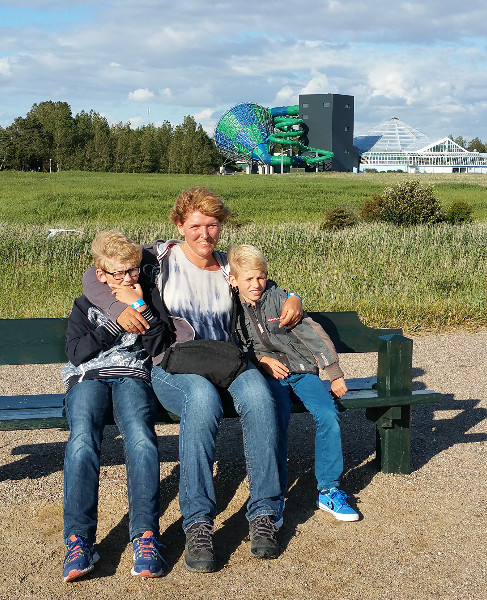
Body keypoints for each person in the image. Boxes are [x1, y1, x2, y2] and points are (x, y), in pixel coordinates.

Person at [82, 187, 303, 573]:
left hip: (227, 361)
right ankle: (199, 522)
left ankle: (265, 513)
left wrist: (293, 296)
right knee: (201, 400)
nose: (205, 234)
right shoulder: (158, 259)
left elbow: (263, 287)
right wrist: (119, 307)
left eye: (213, 225)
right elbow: (93, 275)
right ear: (180, 224)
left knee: (259, 396)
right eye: (196, 225)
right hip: (175, 365)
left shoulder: (227, 266)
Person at [61, 231, 172, 582]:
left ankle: (145, 536)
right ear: (101, 274)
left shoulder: (147, 298)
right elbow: (76, 353)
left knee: (140, 438)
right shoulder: (85, 305)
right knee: (82, 441)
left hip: (132, 376)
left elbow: (160, 345)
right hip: (88, 377)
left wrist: (140, 306)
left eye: (133, 271)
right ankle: (79, 540)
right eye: (119, 273)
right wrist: (114, 325)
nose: (127, 279)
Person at [226, 244, 360, 523]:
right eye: (248, 279)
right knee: (277, 418)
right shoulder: (230, 307)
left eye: (261, 277)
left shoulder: (279, 300)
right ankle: (275, 495)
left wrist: (334, 372)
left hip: (301, 370)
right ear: (233, 280)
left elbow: (313, 335)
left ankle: (329, 489)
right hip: (268, 376)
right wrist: (260, 360)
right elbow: (234, 344)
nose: (256, 284)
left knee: (328, 415)